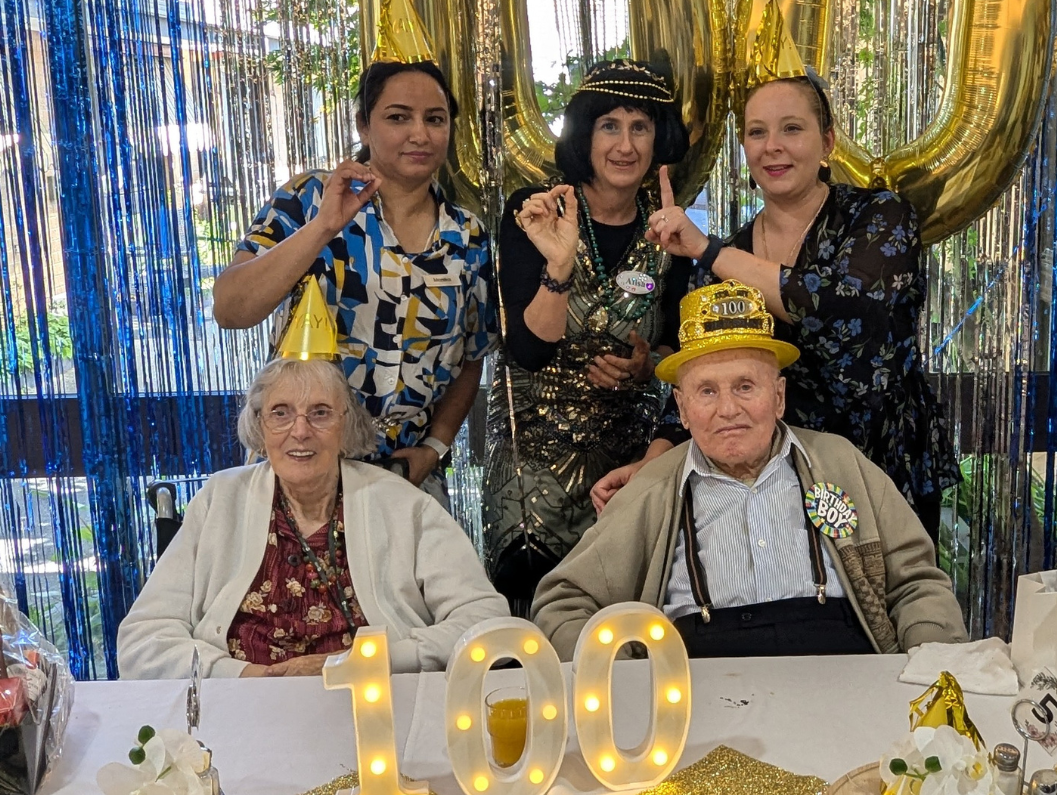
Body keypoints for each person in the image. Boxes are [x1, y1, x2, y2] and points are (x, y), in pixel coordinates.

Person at [598, 67, 960, 538]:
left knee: (890, 607)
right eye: (756, 132)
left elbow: (842, 308)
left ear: (827, 141)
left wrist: (709, 251)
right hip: (774, 486)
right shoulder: (723, 257)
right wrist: (649, 464)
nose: (773, 146)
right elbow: (699, 373)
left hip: (885, 470)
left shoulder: (879, 215)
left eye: (792, 128)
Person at [531, 280, 966, 659]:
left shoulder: (840, 462)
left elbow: (918, 584)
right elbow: (563, 602)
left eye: (745, 386)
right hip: (695, 687)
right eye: (706, 391)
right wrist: (622, 680)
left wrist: (928, 668)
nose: (728, 410)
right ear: (681, 409)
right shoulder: (654, 487)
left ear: (778, 397)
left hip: (844, 675)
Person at [213, 58, 494, 505]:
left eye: (435, 119)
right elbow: (231, 309)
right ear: (364, 125)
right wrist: (323, 227)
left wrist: (433, 449)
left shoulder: (468, 236)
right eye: (398, 117)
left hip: (406, 479)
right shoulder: (310, 198)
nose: (419, 134)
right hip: (302, 465)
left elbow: (472, 357)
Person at [118, 359, 507, 679]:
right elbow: (143, 640)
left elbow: (486, 623)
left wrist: (374, 663)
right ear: (260, 426)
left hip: (372, 708)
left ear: (346, 426)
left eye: (320, 413)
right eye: (281, 413)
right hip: (240, 712)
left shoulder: (403, 504)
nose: (300, 431)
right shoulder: (220, 500)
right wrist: (240, 676)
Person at [484, 60, 694, 617]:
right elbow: (526, 350)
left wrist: (650, 367)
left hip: (627, 464)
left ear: (658, 139)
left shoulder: (669, 227)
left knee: (622, 626)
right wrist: (557, 265)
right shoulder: (537, 212)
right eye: (609, 126)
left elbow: (682, 349)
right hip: (533, 465)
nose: (625, 145)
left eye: (640, 127)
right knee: (535, 627)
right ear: (585, 134)